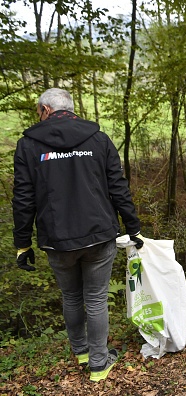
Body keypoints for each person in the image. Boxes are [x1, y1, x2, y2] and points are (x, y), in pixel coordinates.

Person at [12, 88, 144, 382]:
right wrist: (133, 227)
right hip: (99, 234)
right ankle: (98, 364)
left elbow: (23, 199)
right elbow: (118, 187)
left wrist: (22, 244)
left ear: (46, 110)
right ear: (69, 109)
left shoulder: (28, 145)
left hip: (57, 239)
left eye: (38, 111)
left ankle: (82, 351)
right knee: (95, 298)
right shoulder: (98, 139)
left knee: (71, 296)